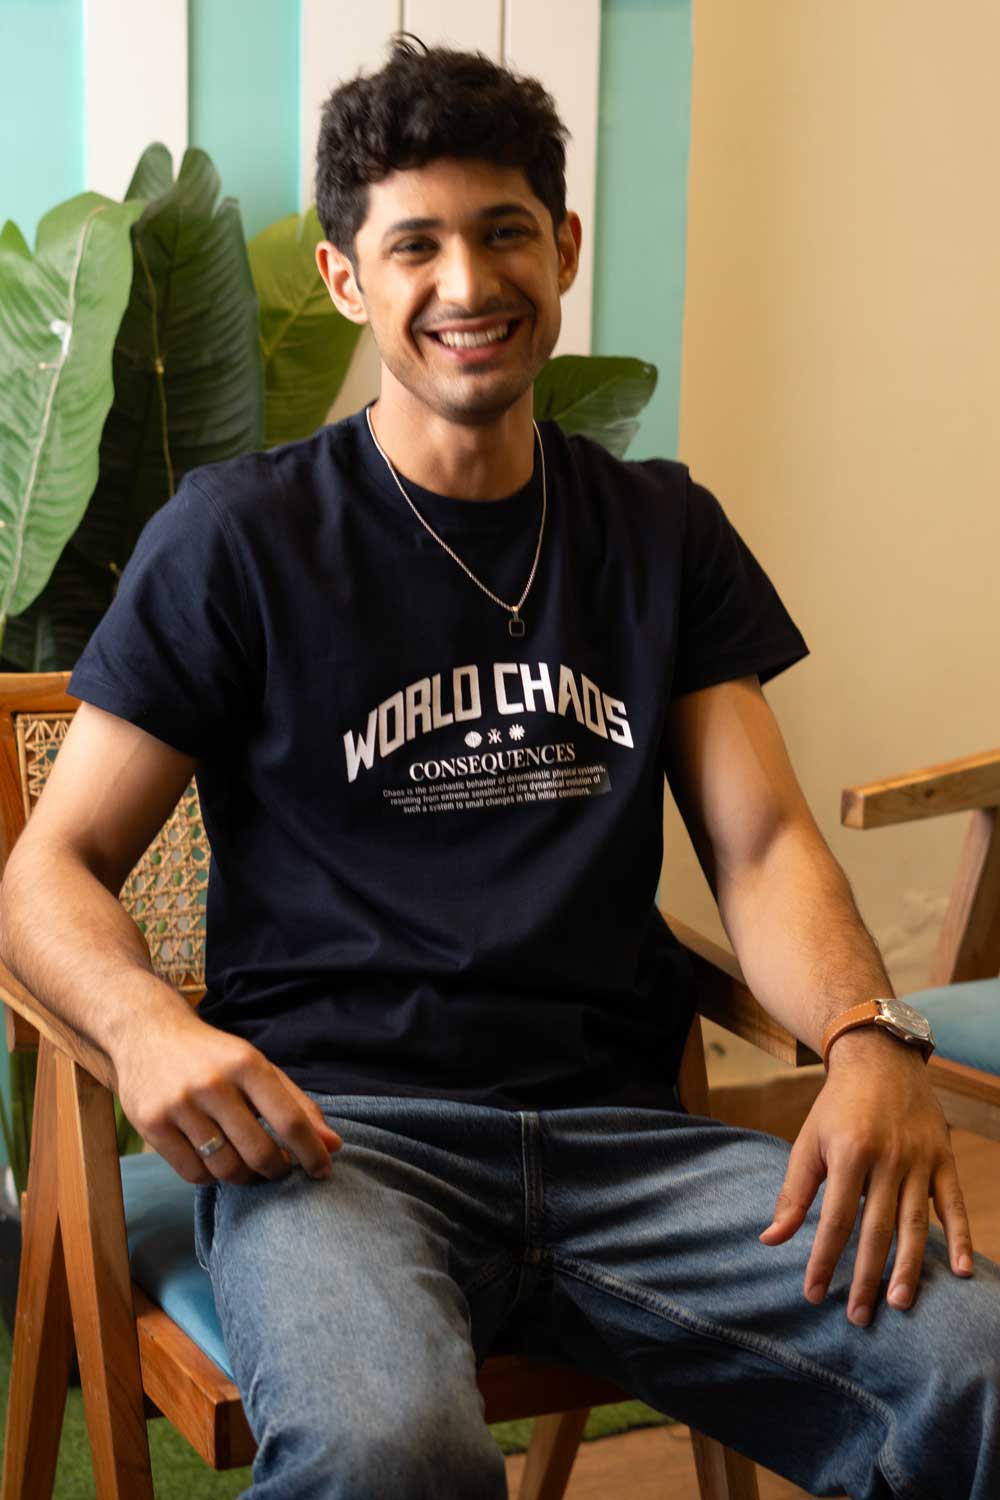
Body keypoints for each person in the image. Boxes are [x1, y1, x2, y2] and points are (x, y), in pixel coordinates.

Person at [1, 36, 997, 1500]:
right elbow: (50, 868)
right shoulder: (239, 538)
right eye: (415, 244)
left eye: (503, 232)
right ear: (348, 278)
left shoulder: (660, 532)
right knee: (388, 1453)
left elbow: (765, 843)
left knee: (978, 1363)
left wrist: (866, 1035)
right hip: (339, 1149)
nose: (466, 283)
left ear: (565, 248)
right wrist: (145, 1026)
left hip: (631, 1150)